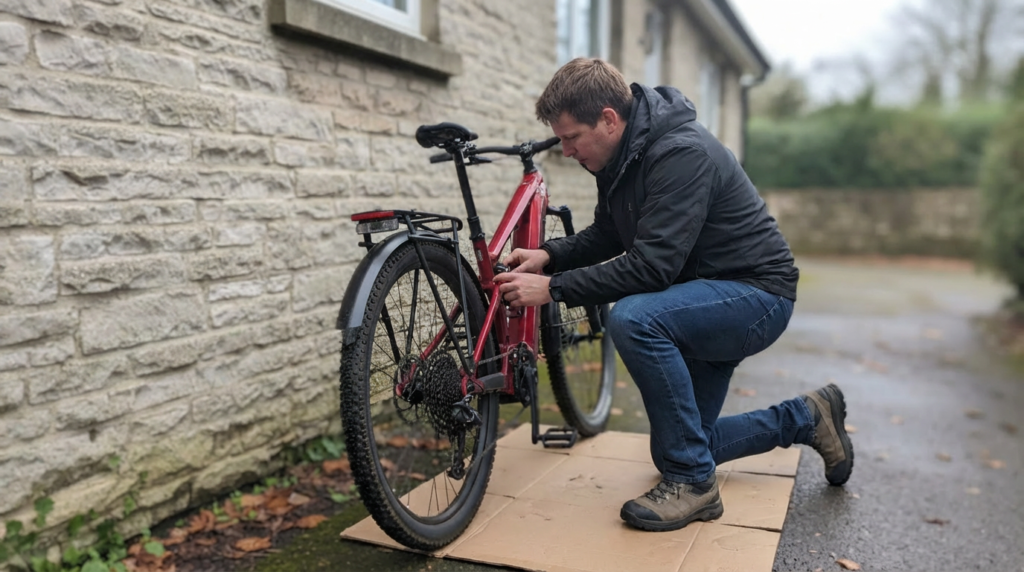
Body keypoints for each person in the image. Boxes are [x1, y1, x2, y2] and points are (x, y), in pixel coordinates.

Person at [492, 58, 853, 532]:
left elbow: (651, 265)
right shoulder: (621, 156)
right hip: (701, 298)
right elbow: (610, 233)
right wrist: (550, 256)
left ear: (608, 119)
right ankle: (805, 417)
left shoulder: (681, 153)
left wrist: (553, 289)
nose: (565, 150)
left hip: (756, 297)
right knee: (677, 448)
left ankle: (694, 485)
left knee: (633, 318)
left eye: (572, 137)